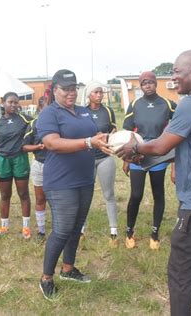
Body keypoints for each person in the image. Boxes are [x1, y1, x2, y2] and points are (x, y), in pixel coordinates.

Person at [116, 50, 191, 315]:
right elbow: (179, 147)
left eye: (177, 72)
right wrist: (141, 153)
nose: (173, 78)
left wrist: (134, 146)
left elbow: (160, 146)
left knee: (181, 272)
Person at [36, 69, 112, 301]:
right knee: (62, 230)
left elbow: (94, 135)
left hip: (84, 178)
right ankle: (46, 278)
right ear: (54, 89)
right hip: (61, 182)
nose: (71, 93)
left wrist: (110, 140)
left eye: (74, 88)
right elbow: (53, 143)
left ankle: (68, 269)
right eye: (66, 89)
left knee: (77, 227)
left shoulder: (83, 111)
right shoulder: (49, 114)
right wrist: (89, 141)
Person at [121, 71, 177, 250]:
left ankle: (155, 233)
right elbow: (128, 132)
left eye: (151, 82)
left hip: (159, 156)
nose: (147, 85)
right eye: (144, 83)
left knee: (158, 194)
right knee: (136, 195)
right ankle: (129, 232)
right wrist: (127, 159)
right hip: (138, 156)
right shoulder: (135, 104)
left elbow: (178, 131)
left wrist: (174, 163)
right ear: (140, 85)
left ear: (156, 84)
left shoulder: (168, 104)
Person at [0, 92, 33, 239]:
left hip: (20, 159)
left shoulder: (26, 120)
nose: (13, 105)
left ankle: (26, 227)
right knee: (5, 195)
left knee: (23, 194)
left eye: (16, 102)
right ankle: (4, 226)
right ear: (3, 102)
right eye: (10, 102)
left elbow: (38, 128)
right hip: (3, 161)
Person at [82, 80, 119, 247]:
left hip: (105, 157)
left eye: (101, 92)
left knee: (109, 194)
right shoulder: (82, 112)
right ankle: (80, 229)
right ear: (89, 95)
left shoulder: (108, 111)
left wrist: (107, 137)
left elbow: (113, 130)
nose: (99, 95)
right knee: (84, 195)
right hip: (86, 158)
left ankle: (113, 231)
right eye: (96, 92)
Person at [22, 91, 51, 241]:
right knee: (40, 199)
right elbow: (25, 147)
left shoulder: (58, 122)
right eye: (46, 108)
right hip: (39, 164)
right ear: (40, 109)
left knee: (57, 199)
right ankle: (41, 231)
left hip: (57, 166)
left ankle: (60, 230)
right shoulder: (34, 124)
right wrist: (38, 147)